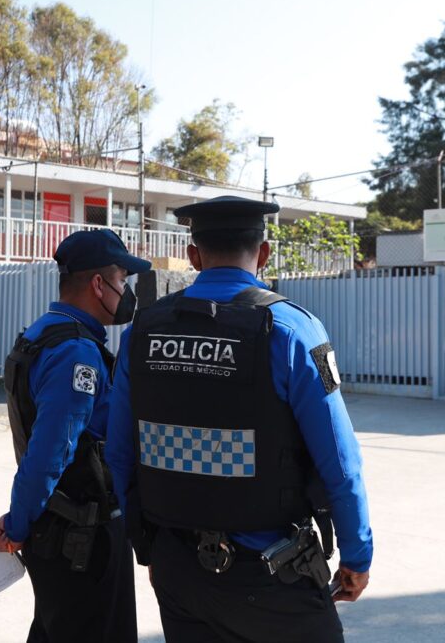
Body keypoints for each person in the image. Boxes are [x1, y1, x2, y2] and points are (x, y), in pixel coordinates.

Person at [106, 195, 373, 643]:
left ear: (194, 255)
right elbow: (340, 462)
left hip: (178, 571)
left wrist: (150, 548)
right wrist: (356, 556)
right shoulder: (290, 330)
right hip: (271, 577)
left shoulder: (143, 332)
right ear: (263, 253)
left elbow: (118, 454)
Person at [0, 229, 150, 643]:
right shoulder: (76, 352)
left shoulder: (41, 334)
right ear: (99, 284)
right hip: (82, 538)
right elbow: (50, 450)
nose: (127, 291)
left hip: (57, 528)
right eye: (123, 280)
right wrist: (19, 522)